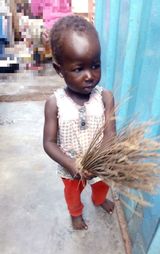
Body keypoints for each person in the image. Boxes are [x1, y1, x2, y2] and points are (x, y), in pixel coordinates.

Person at [43, 15, 116, 230]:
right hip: (71, 169)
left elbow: (110, 133)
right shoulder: (54, 103)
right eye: (78, 69)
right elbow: (48, 143)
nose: (89, 76)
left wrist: (100, 159)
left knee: (102, 186)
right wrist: (73, 165)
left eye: (95, 66)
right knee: (73, 194)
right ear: (59, 70)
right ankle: (76, 213)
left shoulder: (105, 97)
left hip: (100, 165)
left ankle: (99, 200)